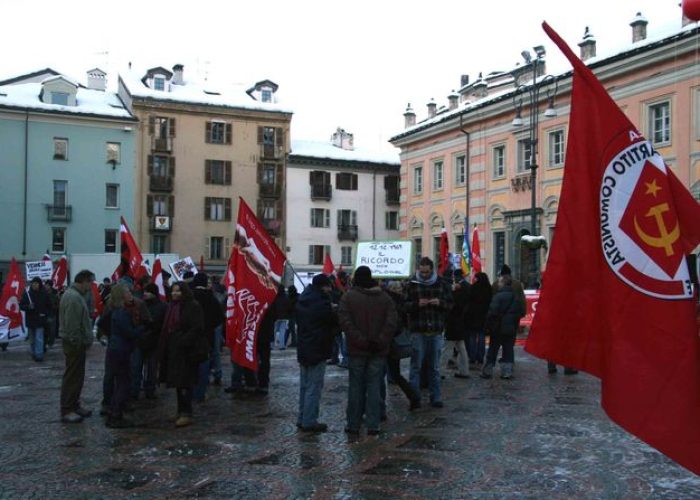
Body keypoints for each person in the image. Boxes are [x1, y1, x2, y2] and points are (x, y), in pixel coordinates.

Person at [339, 266, 397, 435]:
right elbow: (391, 322)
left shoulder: (348, 297)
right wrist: (380, 340)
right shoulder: (385, 298)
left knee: (355, 387)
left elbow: (345, 322)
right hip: (378, 350)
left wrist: (360, 340)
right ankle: (373, 424)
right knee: (374, 387)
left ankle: (353, 424)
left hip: (357, 349)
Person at [405, 257, 454, 408]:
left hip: (436, 330)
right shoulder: (411, 284)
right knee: (416, 367)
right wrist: (416, 304)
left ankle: (436, 397)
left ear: (431, 270)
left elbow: (451, 304)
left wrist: (440, 303)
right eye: (422, 272)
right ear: (418, 269)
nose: (424, 275)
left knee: (434, 367)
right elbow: (404, 305)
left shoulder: (441, 283)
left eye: (427, 272)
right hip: (418, 330)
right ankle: (415, 398)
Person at [158, 282, 205, 427]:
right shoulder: (172, 306)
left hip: (187, 350)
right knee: (178, 381)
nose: (175, 293)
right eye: (173, 291)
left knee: (185, 381)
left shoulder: (192, 306)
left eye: (178, 291)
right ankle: (180, 411)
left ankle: (187, 413)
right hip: (174, 348)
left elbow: (197, 327)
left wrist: (183, 341)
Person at [295, 274, 337, 432]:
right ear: (323, 286)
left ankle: (302, 417)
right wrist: (332, 310)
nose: (330, 289)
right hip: (318, 347)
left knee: (304, 386)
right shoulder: (321, 302)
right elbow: (331, 322)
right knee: (314, 386)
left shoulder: (304, 299)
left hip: (304, 346)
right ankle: (309, 421)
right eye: (328, 286)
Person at [104, 284, 145, 428]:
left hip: (117, 349)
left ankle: (115, 413)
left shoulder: (118, 311)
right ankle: (115, 415)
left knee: (121, 382)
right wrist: (142, 328)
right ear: (122, 295)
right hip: (120, 350)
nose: (130, 293)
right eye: (128, 292)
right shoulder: (121, 313)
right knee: (123, 383)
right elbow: (130, 333)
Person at [59, 270, 95, 424]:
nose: (91, 286)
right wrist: (78, 342)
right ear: (84, 281)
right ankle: (67, 409)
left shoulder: (76, 295)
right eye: (90, 282)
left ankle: (74, 405)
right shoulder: (73, 297)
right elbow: (72, 325)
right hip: (74, 343)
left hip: (77, 342)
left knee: (77, 376)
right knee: (72, 376)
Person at [481, 274, 526, 379]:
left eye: (500, 282)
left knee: (493, 349)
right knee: (508, 349)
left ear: (504, 283)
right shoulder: (515, 297)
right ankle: (507, 372)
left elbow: (492, 312)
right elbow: (519, 312)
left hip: (497, 327)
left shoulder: (498, 297)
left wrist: (488, 325)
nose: (498, 283)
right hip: (510, 328)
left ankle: (488, 371)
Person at [191, 273, 223, 403]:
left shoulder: (189, 296)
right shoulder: (211, 298)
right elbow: (219, 318)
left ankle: (191, 392)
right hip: (207, 335)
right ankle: (200, 393)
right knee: (204, 364)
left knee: (191, 365)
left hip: (190, 336)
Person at [137, 283, 167, 399]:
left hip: (154, 340)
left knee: (152, 368)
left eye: (147, 291)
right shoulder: (140, 304)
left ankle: (150, 389)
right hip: (140, 339)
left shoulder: (162, 306)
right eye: (144, 291)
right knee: (137, 367)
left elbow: (163, 324)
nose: (145, 294)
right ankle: (137, 387)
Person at [444, 269, 471, 378]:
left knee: (447, 348)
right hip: (461, 321)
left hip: (454, 321)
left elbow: (454, 304)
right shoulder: (468, 286)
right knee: (461, 347)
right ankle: (464, 370)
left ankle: (440, 371)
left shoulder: (459, 289)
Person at [20, 277, 52, 362]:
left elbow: (49, 306)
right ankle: (34, 353)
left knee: (39, 338)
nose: (35, 285)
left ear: (40, 284)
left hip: (40, 320)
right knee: (32, 340)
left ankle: (39, 355)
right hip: (30, 320)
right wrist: (28, 307)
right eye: (33, 283)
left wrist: (46, 314)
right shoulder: (27, 294)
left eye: (37, 283)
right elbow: (21, 305)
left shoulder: (44, 294)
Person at [465, 272, 492, 368]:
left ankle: (472, 356)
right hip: (483, 316)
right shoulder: (488, 288)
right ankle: (480, 357)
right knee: (481, 337)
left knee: (472, 336)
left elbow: (468, 301)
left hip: (473, 316)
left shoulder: (473, 288)